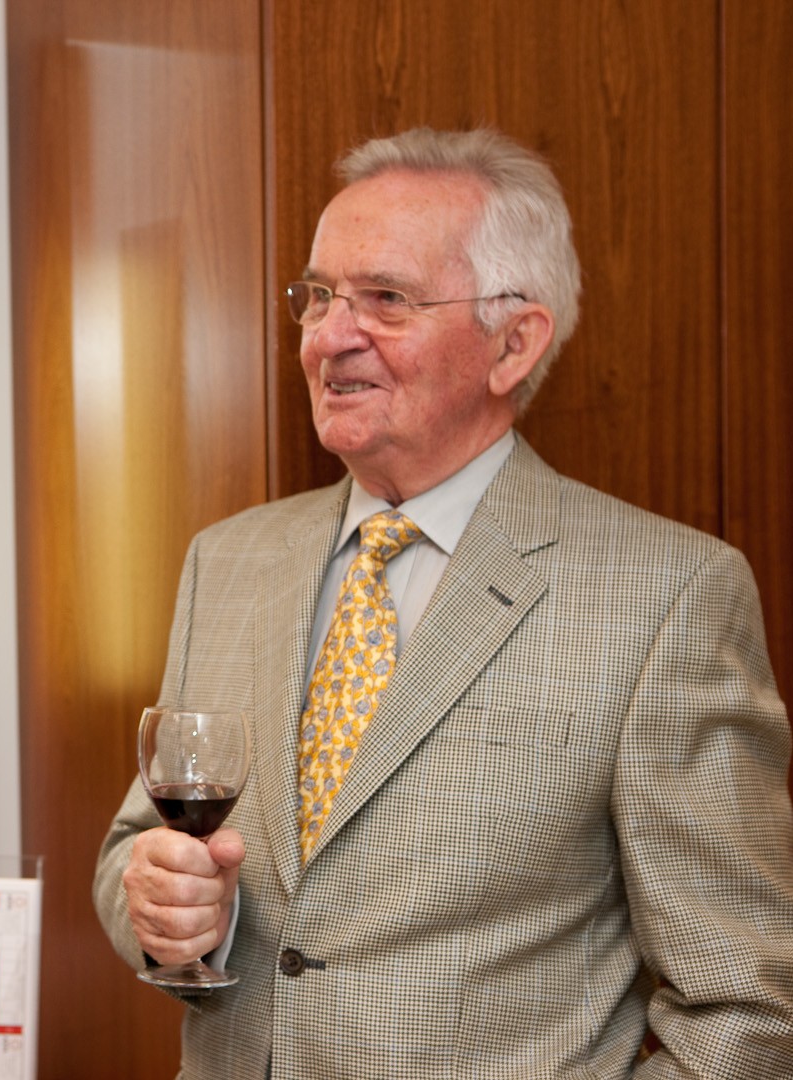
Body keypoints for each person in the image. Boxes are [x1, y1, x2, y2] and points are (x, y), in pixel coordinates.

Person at [93, 127, 793, 1077]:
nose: (328, 336)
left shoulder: (667, 597)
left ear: (514, 343)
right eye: (317, 297)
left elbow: (745, 1005)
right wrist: (160, 907)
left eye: (385, 299)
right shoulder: (229, 560)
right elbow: (140, 844)